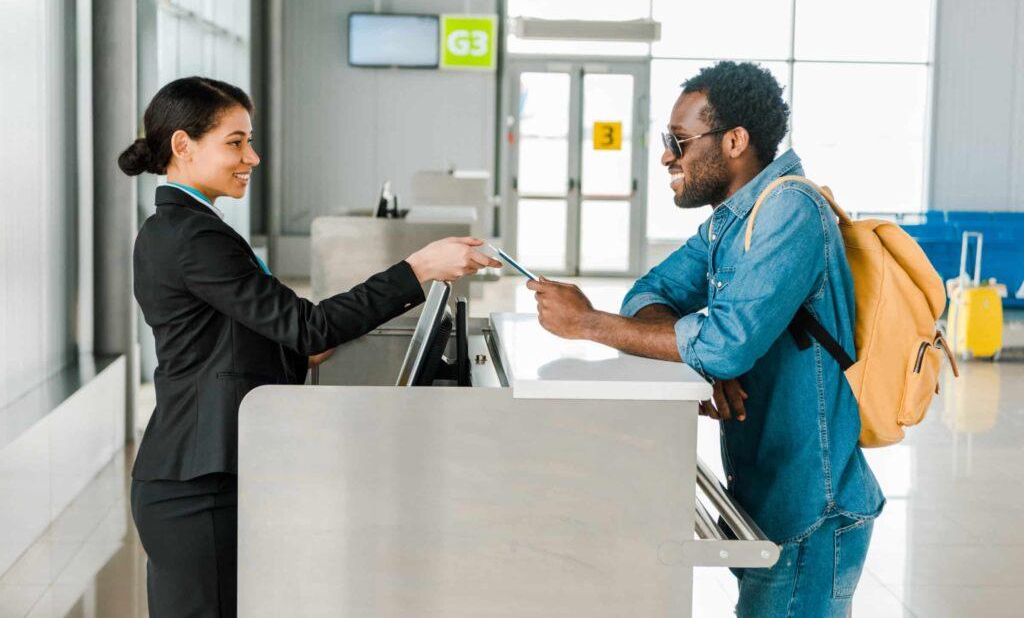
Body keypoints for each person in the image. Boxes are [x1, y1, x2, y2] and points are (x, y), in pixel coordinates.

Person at [120, 76, 501, 618]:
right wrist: (419, 269)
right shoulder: (193, 236)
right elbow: (309, 327)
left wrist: (299, 350)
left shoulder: (188, 227)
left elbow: (241, 340)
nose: (251, 156)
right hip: (195, 484)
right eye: (235, 142)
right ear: (183, 145)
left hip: (200, 473)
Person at [527, 61, 884, 617]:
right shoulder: (729, 222)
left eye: (679, 140)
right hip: (766, 497)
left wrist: (588, 323)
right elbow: (649, 293)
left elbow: (724, 343)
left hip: (810, 509)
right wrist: (709, 361)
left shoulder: (791, 209)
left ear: (736, 140)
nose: (668, 155)